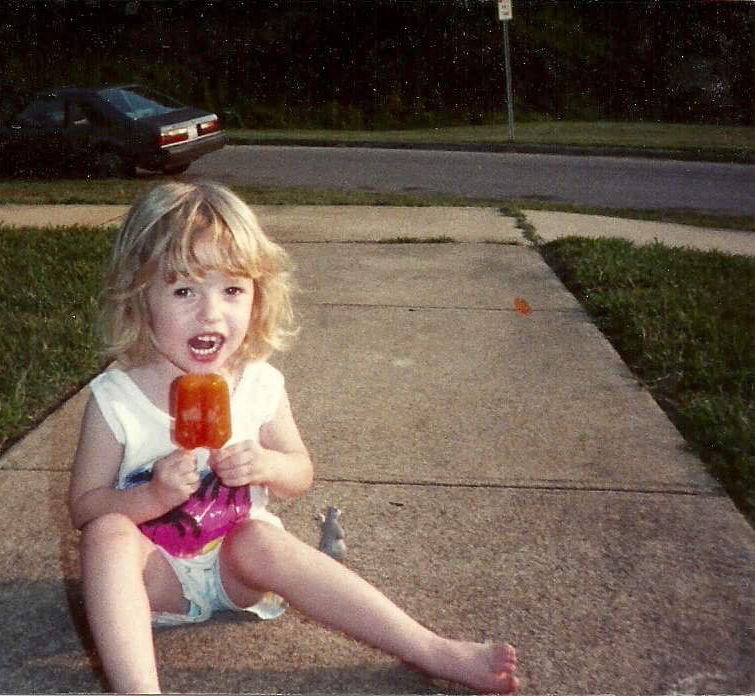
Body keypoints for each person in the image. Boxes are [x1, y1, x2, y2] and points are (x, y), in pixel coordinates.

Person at [69, 180, 519, 694]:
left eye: (232, 289)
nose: (212, 313)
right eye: (184, 290)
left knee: (263, 538)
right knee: (107, 536)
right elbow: (85, 507)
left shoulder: (258, 383)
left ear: (258, 295)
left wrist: (267, 465)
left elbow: (300, 472)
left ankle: (431, 650)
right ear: (138, 296)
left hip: (239, 568)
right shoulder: (116, 399)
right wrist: (149, 496)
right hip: (155, 580)